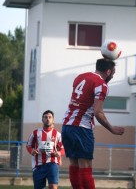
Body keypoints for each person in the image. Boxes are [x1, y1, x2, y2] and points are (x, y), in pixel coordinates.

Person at [61, 58, 125, 189]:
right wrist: (112, 129)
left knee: (74, 164)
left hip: (67, 125)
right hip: (82, 128)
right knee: (85, 166)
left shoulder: (80, 77)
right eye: (113, 73)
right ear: (108, 71)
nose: (112, 76)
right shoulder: (101, 84)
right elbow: (98, 112)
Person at [26, 110, 65, 189]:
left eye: (50, 117)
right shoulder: (35, 133)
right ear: (42, 119)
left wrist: (59, 153)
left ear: (53, 120)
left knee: (53, 186)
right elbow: (28, 145)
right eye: (45, 117)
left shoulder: (58, 134)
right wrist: (32, 151)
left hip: (52, 164)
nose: (48, 119)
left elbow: (63, 148)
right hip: (39, 165)